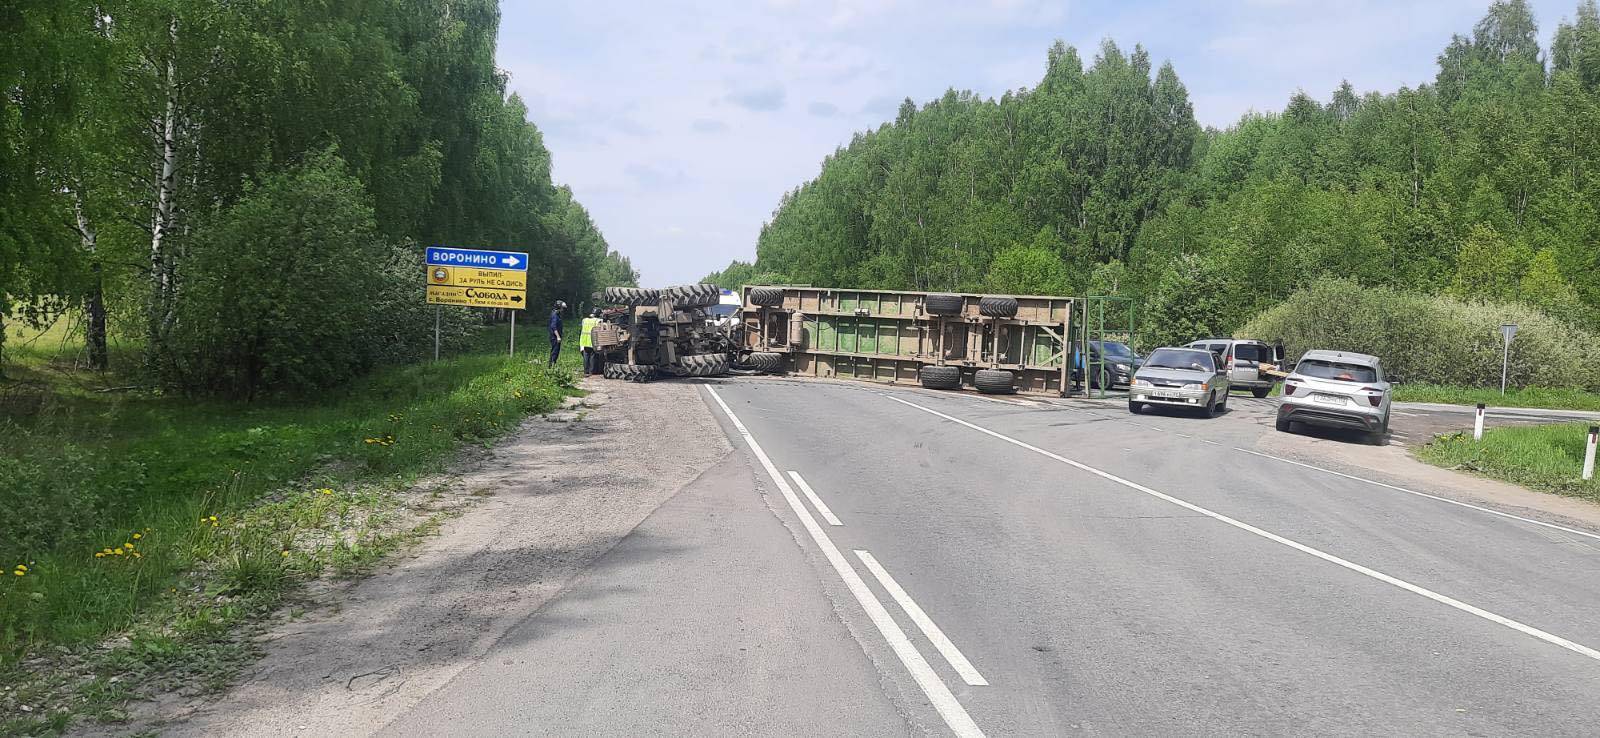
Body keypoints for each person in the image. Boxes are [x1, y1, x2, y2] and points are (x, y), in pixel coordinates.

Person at [580, 309, 602, 375]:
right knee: (593, 356)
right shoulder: (598, 321)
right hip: (593, 341)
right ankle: (591, 371)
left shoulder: (584, 320)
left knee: (586, 356)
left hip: (584, 341)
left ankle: (585, 371)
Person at [548, 300, 566, 367]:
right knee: (555, 352)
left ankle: (552, 365)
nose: (563, 309)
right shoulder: (555, 315)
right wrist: (558, 336)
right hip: (554, 337)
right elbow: (553, 327)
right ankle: (551, 367)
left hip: (555, 336)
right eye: (562, 308)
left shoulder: (557, 314)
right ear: (559, 307)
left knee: (556, 351)